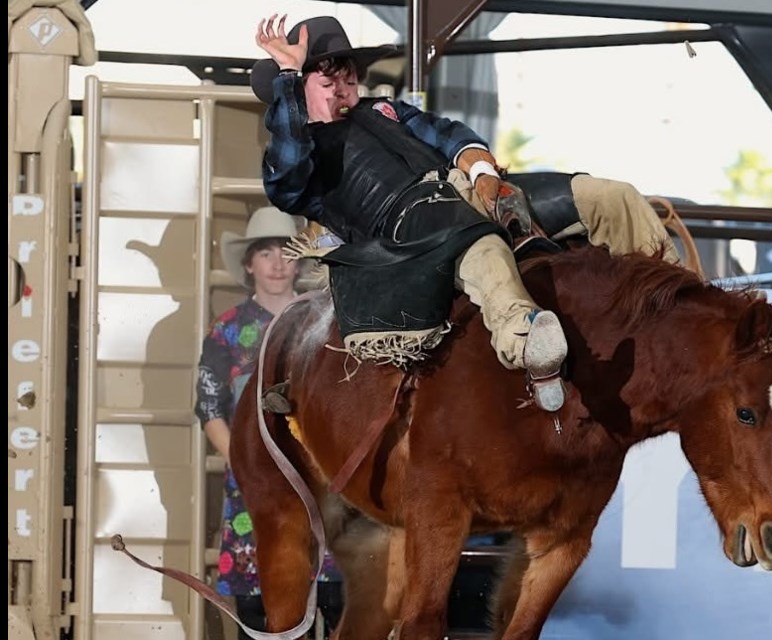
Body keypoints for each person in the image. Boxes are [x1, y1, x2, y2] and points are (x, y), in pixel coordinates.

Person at [250, 14, 679, 413]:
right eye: (327, 81)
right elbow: (287, 173)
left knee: (607, 196)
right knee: (480, 242)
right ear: (298, 89)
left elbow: (447, 133)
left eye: (348, 76)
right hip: (404, 224)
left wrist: (480, 169)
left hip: (466, 186)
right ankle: (527, 341)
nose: (343, 87)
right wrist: (287, 75)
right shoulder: (295, 159)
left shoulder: (388, 111)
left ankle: (682, 299)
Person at [194, 206, 339, 638]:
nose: (278, 263)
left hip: (323, 484)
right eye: (266, 253)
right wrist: (245, 463)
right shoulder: (228, 330)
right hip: (255, 490)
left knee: (336, 602)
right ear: (249, 263)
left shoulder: (325, 323)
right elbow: (209, 406)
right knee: (260, 611)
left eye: (288, 252)